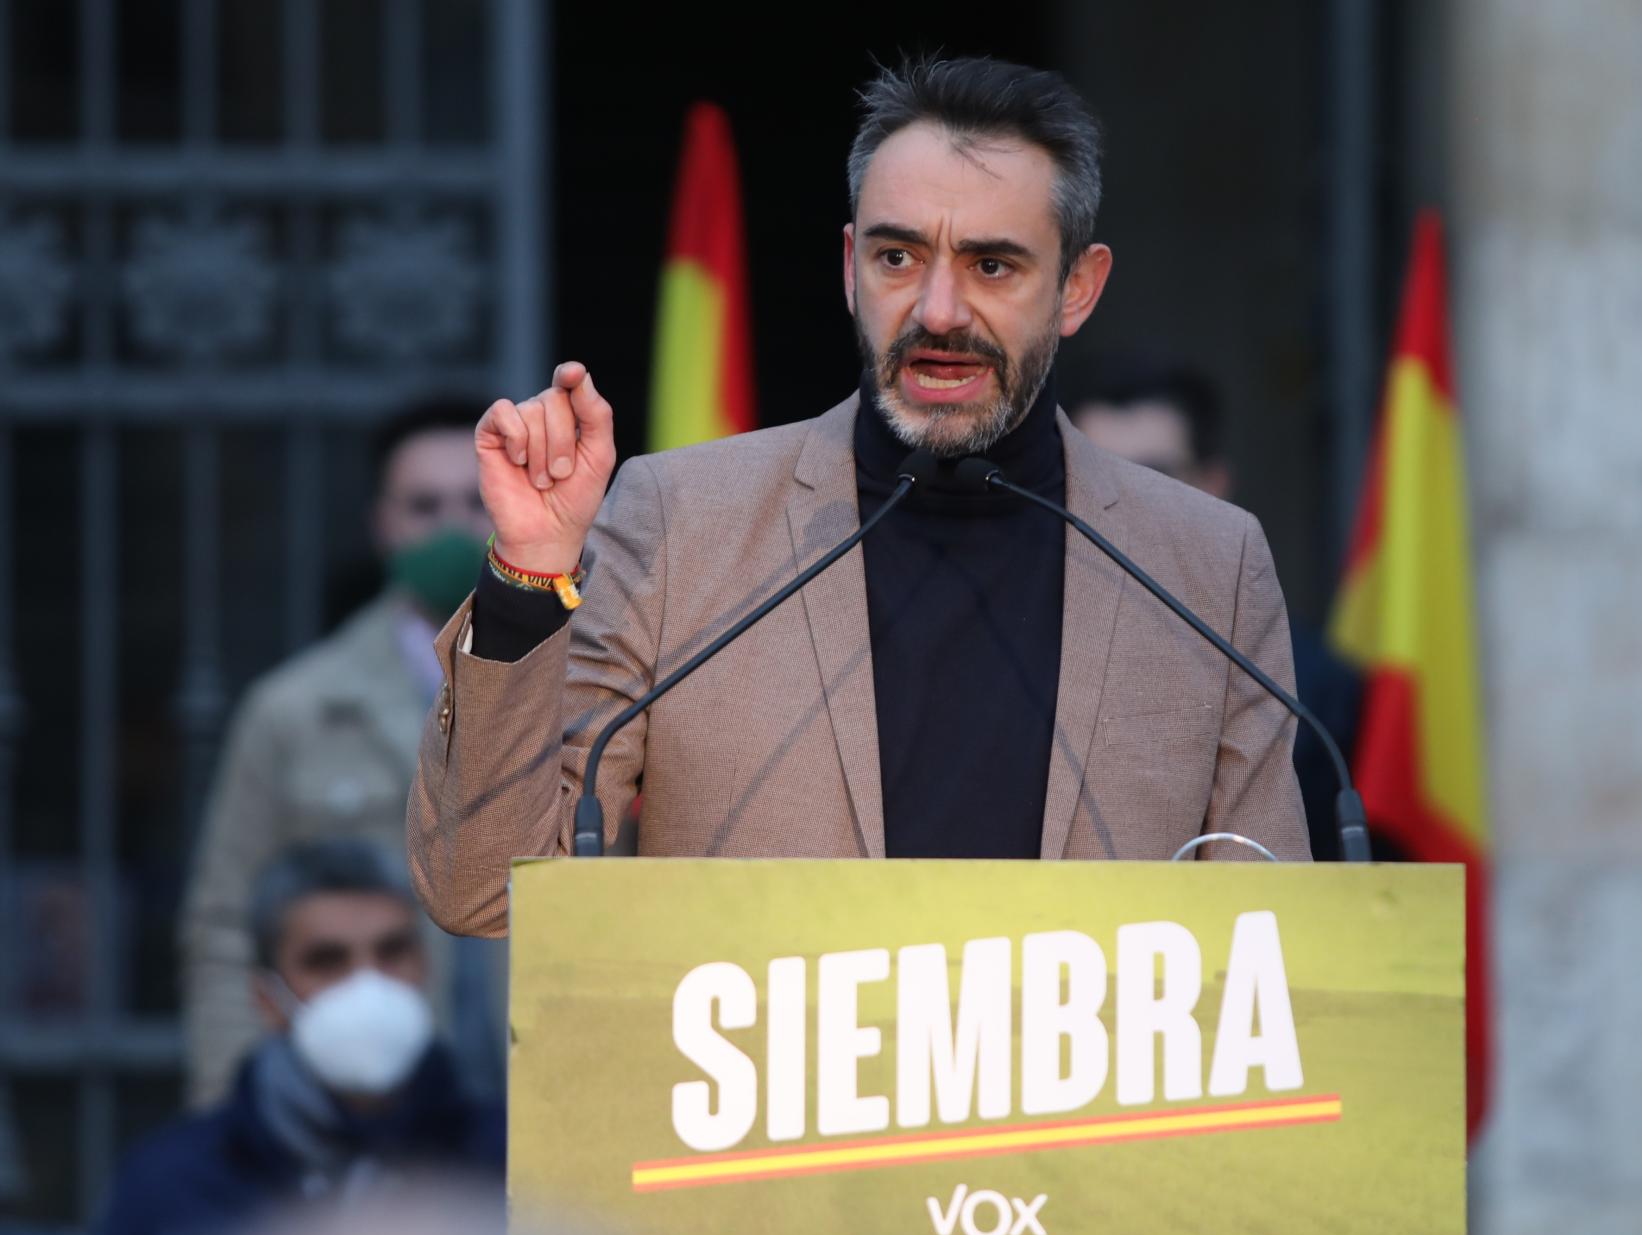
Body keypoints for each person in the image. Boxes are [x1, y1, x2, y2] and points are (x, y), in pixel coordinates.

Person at [409, 55, 1312, 940]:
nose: (941, 311)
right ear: (850, 268)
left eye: (993, 266)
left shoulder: (1206, 565)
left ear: (1078, 286)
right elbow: (486, 892)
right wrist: (528, 577)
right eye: (898, 256)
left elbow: (1271, 949)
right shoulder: (682, 522)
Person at [180, 402, 506, 1107]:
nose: (453, 527)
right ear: (383, 524)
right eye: (424, 505)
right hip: (360, 1106)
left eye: (476, 501)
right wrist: (236, 1111)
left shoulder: (589, 689)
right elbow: (226, 926)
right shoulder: (296, 709)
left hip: (546, 1100)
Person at [99, 842, 503, 1235]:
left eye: (391, 952)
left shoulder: (503, 1164)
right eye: (327, 961)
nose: (367, 985)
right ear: (268, 998)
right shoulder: (175, 1186)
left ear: (424, 965)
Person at [1068, 354, 1363, 856]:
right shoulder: (1028, 639)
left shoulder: (1309, 685)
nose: (1118, 506)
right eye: (1099, 482)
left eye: (1152, 478)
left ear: (1214, 486)